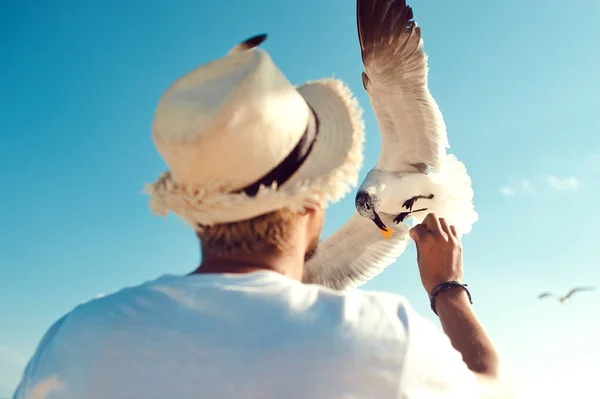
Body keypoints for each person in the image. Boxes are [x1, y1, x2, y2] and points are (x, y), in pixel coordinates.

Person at [12, 36, 512, 399]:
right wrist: (447, 290)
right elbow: (493, 389)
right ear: (314, 201)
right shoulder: (382, 339)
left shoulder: (75, 338)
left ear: (196, 211)